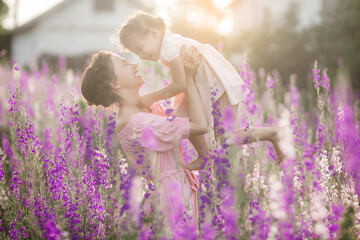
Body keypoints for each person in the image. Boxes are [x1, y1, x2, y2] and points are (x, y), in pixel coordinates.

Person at [118, 11, 286, 164]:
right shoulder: (167, 45)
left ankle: (273, 133)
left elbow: (180, 84)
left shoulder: (168, 47)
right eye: (137, 53)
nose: (141, 56)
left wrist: (151, 96)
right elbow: (184, 82)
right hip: (202, 85)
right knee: (184, 121)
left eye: (140, 48)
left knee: (224, 138)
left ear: (154, 33)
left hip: (218, 84)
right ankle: (204, 155)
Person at [80, 47, 206, 236]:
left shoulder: (144, 110)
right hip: (174, 201)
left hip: (173, 192)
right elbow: (199, 125)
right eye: (124, 63)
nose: (133, 64)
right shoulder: (139, 124)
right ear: (114, 83)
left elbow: (181, 113)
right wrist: (188, 76)